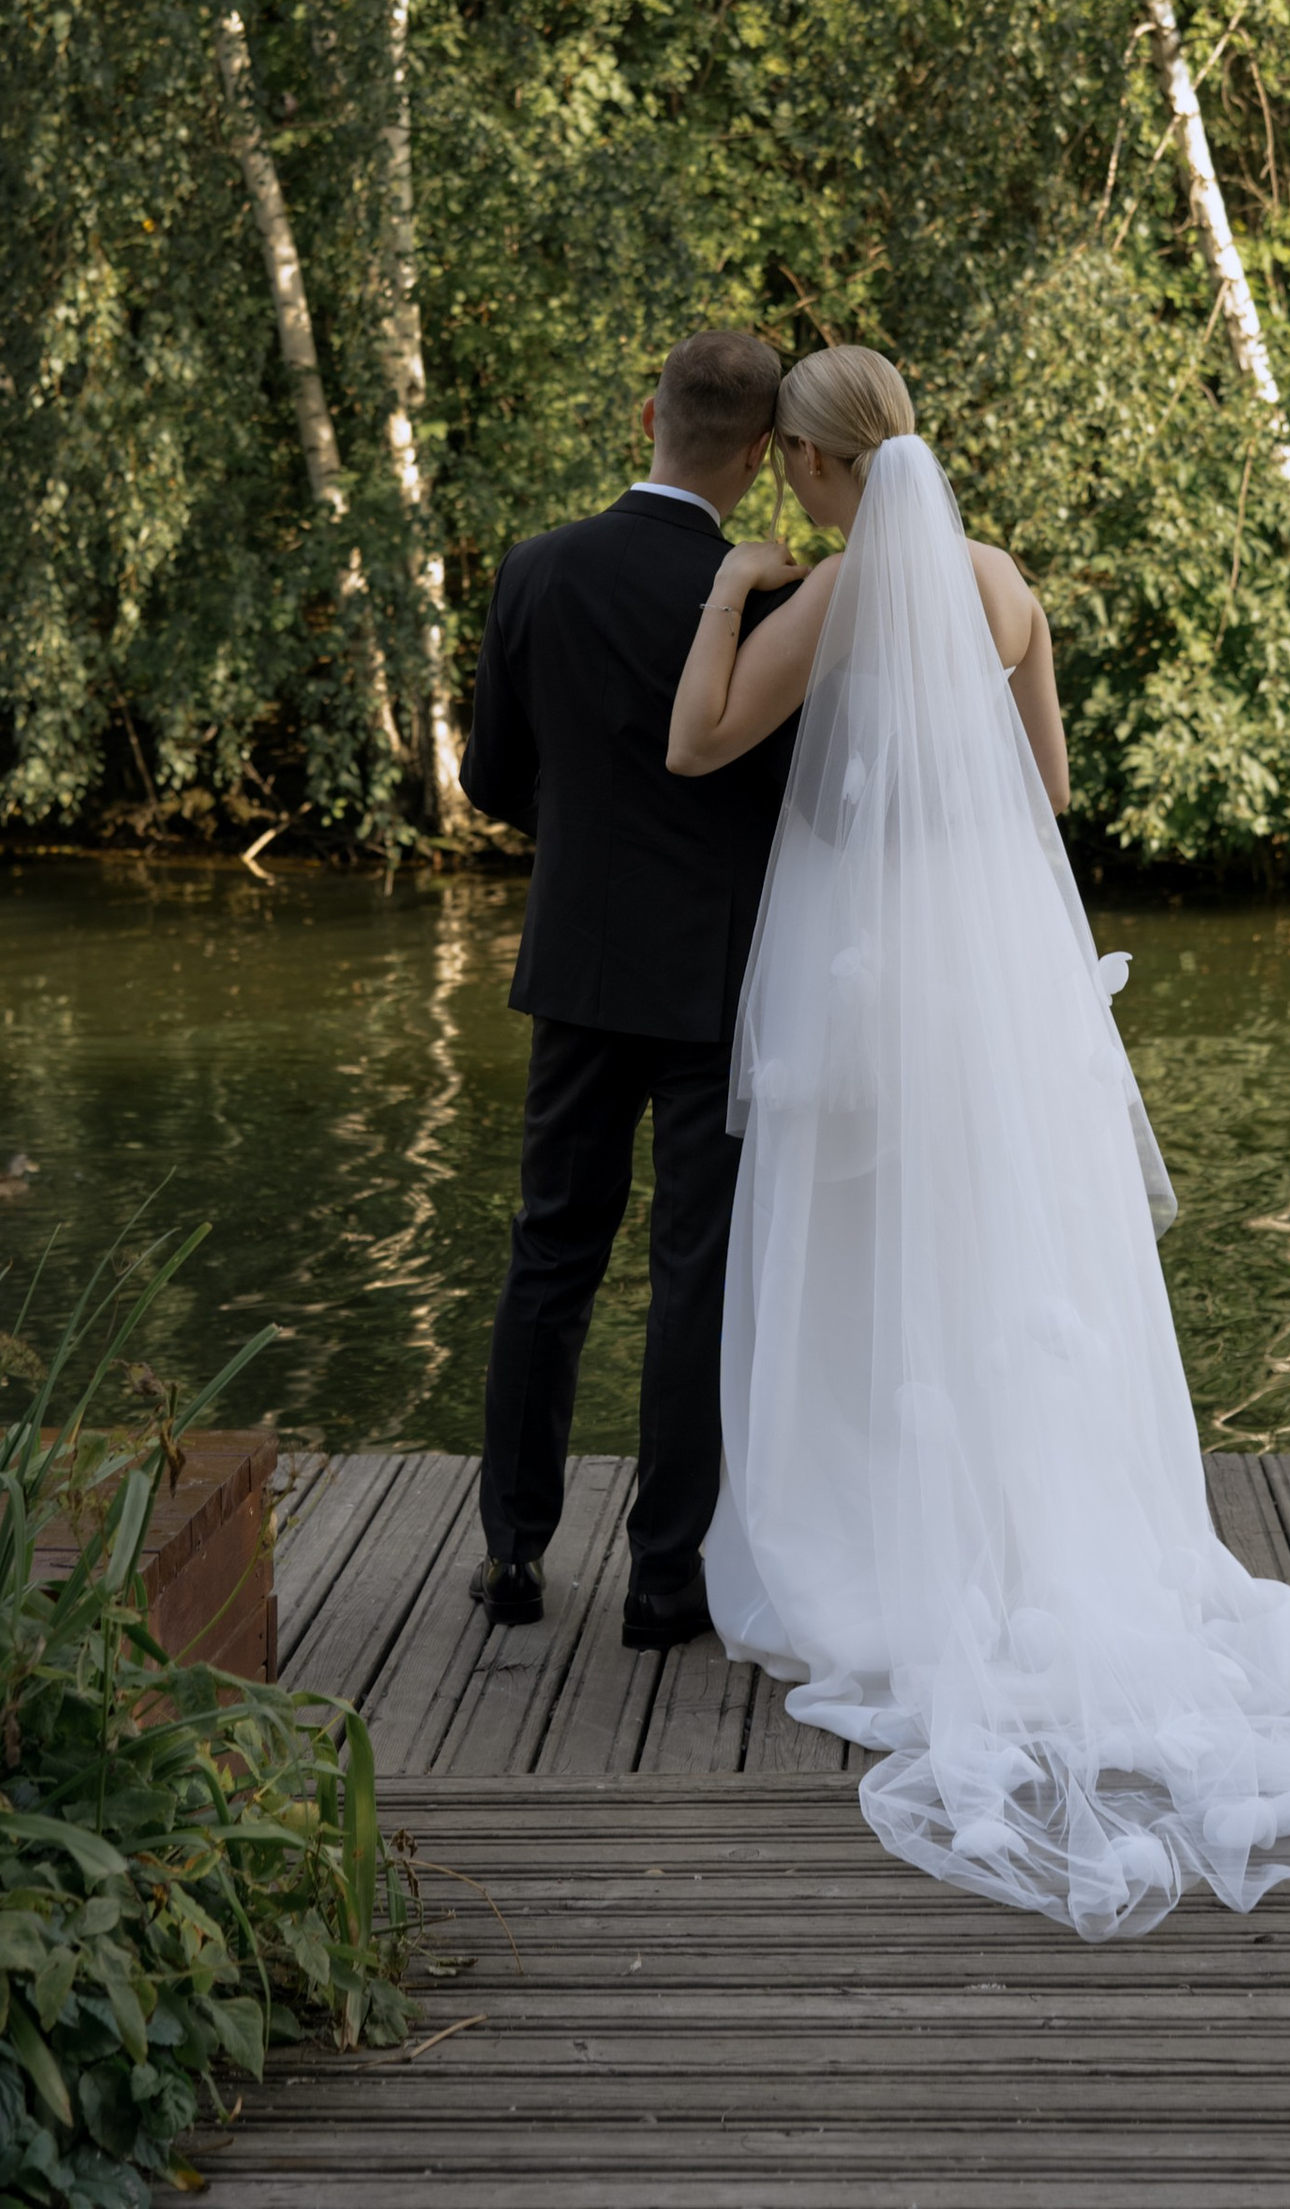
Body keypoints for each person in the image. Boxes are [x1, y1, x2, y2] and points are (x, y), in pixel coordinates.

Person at [666, 343, 1290, 1941]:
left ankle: (881, 1538)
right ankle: (1052, 1535)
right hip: (1000, 976)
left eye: (795, 476)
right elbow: (1052, 785)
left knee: (876, 1260)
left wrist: (730, 595)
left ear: (812, 466)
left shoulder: (834, 593)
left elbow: (704, 740)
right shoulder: (1004, 585)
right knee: (1016, 1258)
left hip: (871, 979)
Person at [462, 325, 803, 1649]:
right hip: (716, 980)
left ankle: (513, 1555)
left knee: (550, 1250)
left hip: (575, 963)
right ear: (763, 454)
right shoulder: (764, 596)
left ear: (644, 416)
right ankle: (666, 1579)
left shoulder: (537, 570)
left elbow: (492, 783)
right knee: (693, 1273)